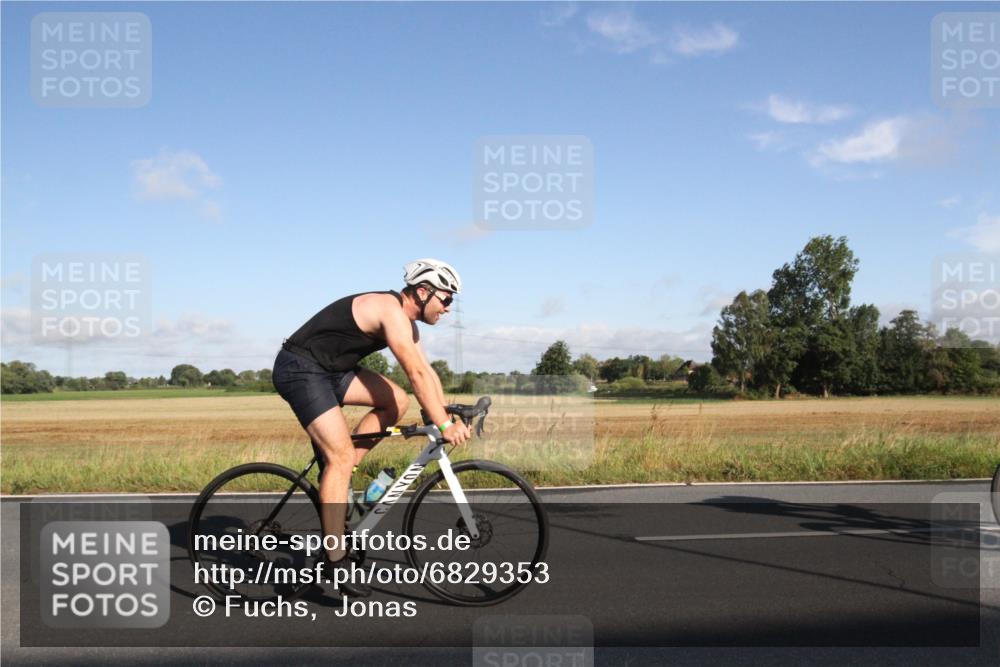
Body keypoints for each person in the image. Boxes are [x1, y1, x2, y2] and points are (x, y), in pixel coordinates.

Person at [272, 259, 471, 598]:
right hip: (301, 369)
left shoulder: (409, 323)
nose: (448, 308)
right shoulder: (389, 310)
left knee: (397, 402)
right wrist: (441, 423)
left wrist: (443, 409)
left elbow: (427, 371)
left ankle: (343, 469)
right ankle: (335, 560)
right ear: (423, 292)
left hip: (333, 371)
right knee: (339, 458)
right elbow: (416, 374)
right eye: (446, 299)